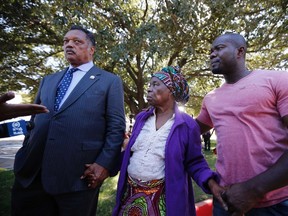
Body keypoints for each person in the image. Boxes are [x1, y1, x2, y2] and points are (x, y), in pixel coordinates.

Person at [11, 25, 126, 216]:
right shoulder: (47, 80)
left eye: (77, 41)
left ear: (91, 49)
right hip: (31, 176)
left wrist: (104, 164)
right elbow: (33, 122)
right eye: (66, 41)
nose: (69, 45)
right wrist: (25, 153)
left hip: (77, 179)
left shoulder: (109, 81)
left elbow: (116, 128)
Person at [112, 66, 225, 216]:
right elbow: (131, 153)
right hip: (130, 195)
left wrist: (211, 183)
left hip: (163, 200)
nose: (149, 89)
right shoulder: (141, 118)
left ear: (170, 90)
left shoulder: (186, 125)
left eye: (155, 84)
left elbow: (195, 161)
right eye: (149, 85)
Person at [196, 33, 288, 216]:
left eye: (219, 48)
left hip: (276, 204)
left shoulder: (277, 80)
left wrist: (253, 190)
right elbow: (189, 129)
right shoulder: (211, 98)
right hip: (225, 202)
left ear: (240, 51)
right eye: (210, 51)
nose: (212, 54)